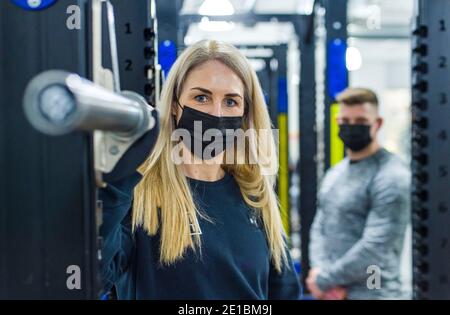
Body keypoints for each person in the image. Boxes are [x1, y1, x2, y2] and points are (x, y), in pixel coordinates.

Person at [99, 40, 301, 299]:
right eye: (201, 97)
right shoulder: (141, 195)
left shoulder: (254, 194)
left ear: (245, 112)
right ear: (174, 104)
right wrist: (121, 175)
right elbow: (97, 277)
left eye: (231, 101)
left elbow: (284, 291)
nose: (216, 113)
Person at [307, 88, 410, 300]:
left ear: (377, 123)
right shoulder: (335, 173)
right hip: (331, 292)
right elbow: (320, 226)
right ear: (337, 122)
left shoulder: (392, 175)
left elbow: (376, 247)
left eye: (360, 120)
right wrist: (320, 274)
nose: (351, 126)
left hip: (375, 291)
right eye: (345, 120)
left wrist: (325, 281)